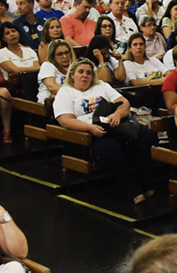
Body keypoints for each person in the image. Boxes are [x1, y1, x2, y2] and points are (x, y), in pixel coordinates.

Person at [53, 60, 157, 203]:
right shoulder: (66, 92)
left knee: (148, 137)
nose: (85, 76)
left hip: (115, 125)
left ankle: (145, 183)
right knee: (110, 148)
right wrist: (90, 128)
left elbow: (124, 103)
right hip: (90, 133)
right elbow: (65, 120)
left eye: (89, 73)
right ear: (72, 75)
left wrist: (117, 114)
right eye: (81, 72)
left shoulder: (101, 86)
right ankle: (132, 189)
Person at [0, 21, 40, 101]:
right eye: (7, 33)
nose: (12, 34)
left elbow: (37, 67)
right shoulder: (1, 53)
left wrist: (24, 71)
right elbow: (15, 70)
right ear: (3, 38)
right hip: (15, 86)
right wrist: (30, 71)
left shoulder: (29, 50)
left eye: (13, 31)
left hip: (34, 81)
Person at [37, 39, 73, 103]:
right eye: (60, 54)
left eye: (67, 52)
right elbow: (52, 87)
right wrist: (74, 93)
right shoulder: (47, 66)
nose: (64, 57)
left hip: (69, 100)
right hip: (48, 103)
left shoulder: (74, 66)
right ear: (53, 56)